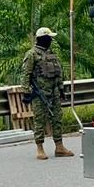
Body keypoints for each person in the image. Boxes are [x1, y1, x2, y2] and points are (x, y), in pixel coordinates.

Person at [22, 27, 74, 160]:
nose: (50, 40)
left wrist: (61, 89)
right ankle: (40, 148)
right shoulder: (32, 54)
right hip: (39, 93)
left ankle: (59, 147)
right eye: (48, 38)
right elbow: (26, 74)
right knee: (40, 120)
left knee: (57, 119)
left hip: (54, 92)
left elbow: (59, 73)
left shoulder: (51, 54)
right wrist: (26, 91)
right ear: (42, 39)